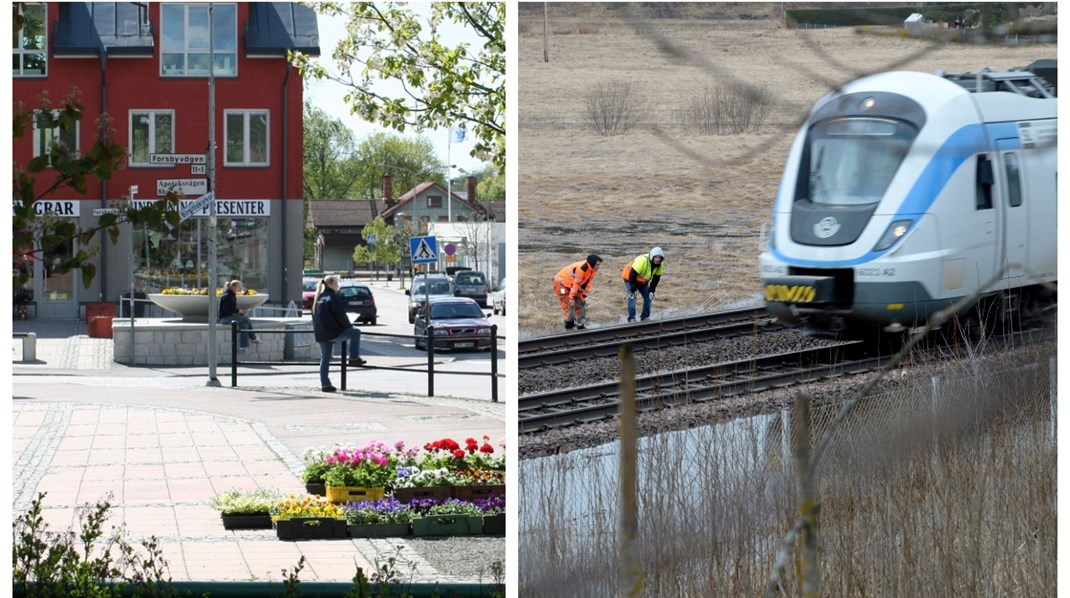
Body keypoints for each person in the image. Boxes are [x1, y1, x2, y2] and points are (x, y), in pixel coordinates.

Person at [312, 274, 366, 392]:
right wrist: (348, 325)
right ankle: (353, 357)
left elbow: (315, 316)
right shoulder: (333, 297)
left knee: (325, 358)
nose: (338, 286)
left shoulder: (319, 297)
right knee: (356, 332)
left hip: (321, 333)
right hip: (332, 332)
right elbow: (340, 315)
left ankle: (325, 384)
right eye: (336, 284)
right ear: (330, 284)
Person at [553, 254, 602, 330]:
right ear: (592, 263)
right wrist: (571, 297)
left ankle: (580, 322)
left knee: (580, 302)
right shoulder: (581, 268)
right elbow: (576, 283)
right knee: (568, 303)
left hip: (571, 286)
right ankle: (569, 325)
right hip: (561, 285)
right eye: (597, 265)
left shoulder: (592, 269)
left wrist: (583, 296)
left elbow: (588, 283)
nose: (598, 267)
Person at [622, 247, 665, 322]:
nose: (658, 259)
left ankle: (644, 317)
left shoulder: (660, 265)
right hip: (629, 277)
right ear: (652, 256)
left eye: (659, 258)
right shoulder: (643, 260)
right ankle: (631, 318)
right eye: (656, 257)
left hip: (642, 281)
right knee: (633, 297)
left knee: (648, 297)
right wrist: (633, 289)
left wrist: (652, 290)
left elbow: (656, 279)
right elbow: (632, 274)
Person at [219, 280, 259, 351]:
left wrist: (239, 312)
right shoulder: (227, 296)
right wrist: (237, 311)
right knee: (246, 319)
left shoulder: (231, 295)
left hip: (228, 317)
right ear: (234, 287)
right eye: (239, 286)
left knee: (245, 325)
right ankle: (253, 338)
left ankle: (243, 346)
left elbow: (230, 309)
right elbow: (226, 310)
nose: (240, 288)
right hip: (224, 319)